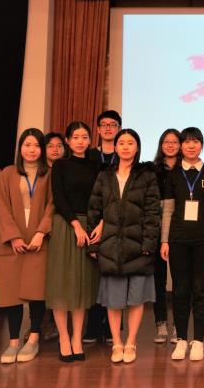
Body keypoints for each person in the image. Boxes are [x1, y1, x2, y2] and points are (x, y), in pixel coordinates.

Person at [88, 128, 161, 363]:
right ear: (115, 147)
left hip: (139, 245)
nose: (126, 147)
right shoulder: (105, 175)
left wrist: (149, 243)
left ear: (137, 147)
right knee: (114, 299)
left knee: (136, 299)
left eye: (131, 143)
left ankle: (130, 342)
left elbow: (153, 212)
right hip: (110, 244)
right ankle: (117, 343)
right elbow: (95, 209)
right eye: (122, 143)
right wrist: (93, 243)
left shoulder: (147, 175)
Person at [160, 127, 204, 361]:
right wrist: (164, 240)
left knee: (201, 290)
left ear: (201, 145)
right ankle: (181, 340)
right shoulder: (173, 174)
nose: (191, 145)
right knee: (180, 291)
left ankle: (197, 341)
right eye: (186, 141)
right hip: (178, 240)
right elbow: (167, 210)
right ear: (181, 146)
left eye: (195, 141)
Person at [0, 128, 54, 364]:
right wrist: (13, 236)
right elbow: (1, 207)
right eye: (27, 145)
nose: (32, 150)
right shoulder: (7, 173)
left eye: (37, 146)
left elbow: (53, 205)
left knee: (37, 292)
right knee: (12, 294)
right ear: (20, 148)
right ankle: (13, 342)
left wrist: (41, 232)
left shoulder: (49, 174)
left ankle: (33, 339)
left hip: (39, 239)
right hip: (13, 241)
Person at [46, 121, 101, 362]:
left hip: (90, 226)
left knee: (82, 284)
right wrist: (76, 225)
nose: (80, 141)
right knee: (62, 283)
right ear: (67, 141)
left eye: (84, 137)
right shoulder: (60, 165)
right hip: (66, 225)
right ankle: (63, 338)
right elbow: (59, 198)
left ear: (90, 140)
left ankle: (77, 338)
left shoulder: (96, 165)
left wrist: (98, 224)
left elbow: (101, 198)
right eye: (76, 137)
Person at [84, 110, 122, 343]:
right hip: (92, 216)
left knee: (115, 273)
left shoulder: (124, 154)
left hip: (118, 220)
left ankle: (112, 328)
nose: (108, 128)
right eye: (104, 125)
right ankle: (93, 326)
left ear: (119, 128)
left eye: (113, 124)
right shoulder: (89, 156)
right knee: (93, 273)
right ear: (97, 129)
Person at [152, 128, 181, 343]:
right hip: (156, 228)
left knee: (181, 280)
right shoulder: (152, 170)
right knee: (158, 280)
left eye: (174, 142)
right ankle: (160, 323)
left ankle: (179, 326)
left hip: (180, 228)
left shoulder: (186, 169)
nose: (170, 145)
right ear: (161, 145)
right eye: (166, 142)